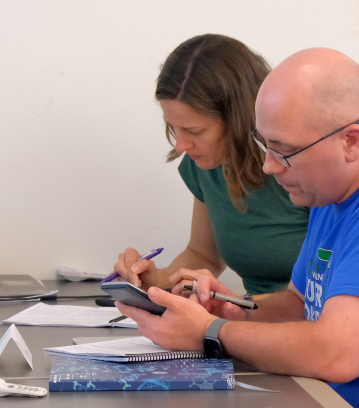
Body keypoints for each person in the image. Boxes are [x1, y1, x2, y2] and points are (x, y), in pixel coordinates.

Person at [115, 48, 359, 408]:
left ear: (350, 142)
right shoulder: (330, 194)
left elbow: (336, 353)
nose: (270, 166)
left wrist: (210, 330)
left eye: (284, 151)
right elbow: (299, 305)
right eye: (265, 145)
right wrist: (234, 309)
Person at [113, 34, 310, 295]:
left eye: (193, 131)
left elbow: (333, 291)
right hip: (251, 320)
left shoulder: (305, 169)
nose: (180, 145)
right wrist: (154, 280)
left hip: (304, 322)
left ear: (239, 119)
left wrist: (238, 312)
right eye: (174, 127)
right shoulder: (204, 165)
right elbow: (203, 254)